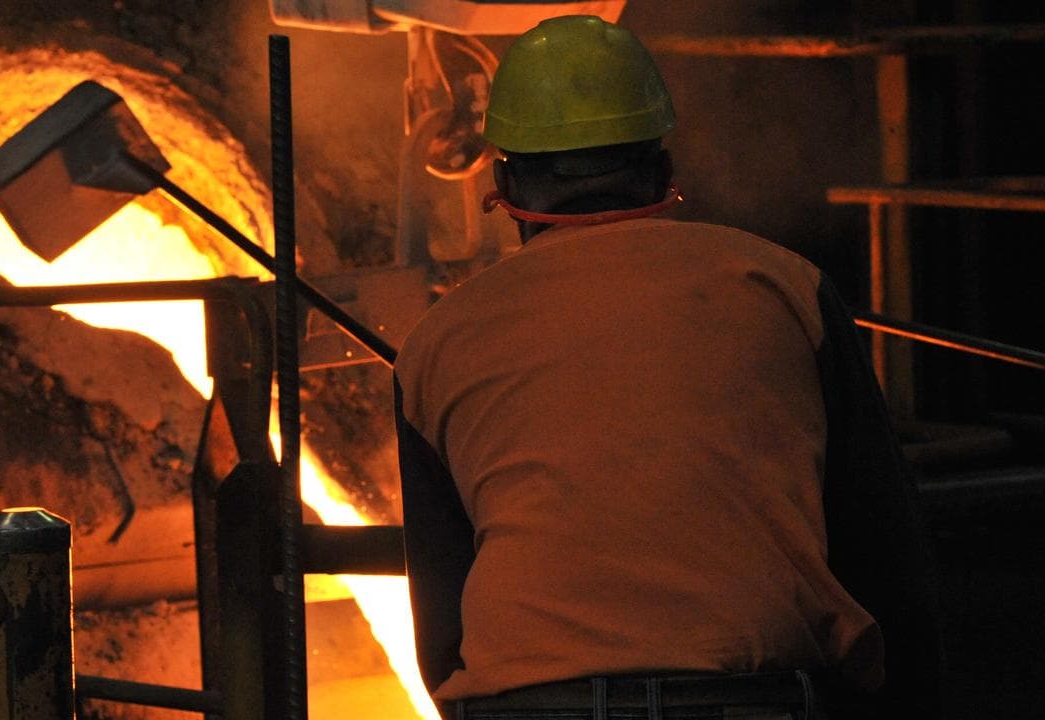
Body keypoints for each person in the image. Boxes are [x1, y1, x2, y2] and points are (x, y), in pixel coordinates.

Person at [393, 15, 943, 720]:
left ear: (504, 183)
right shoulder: (783, 288)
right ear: (662, 169)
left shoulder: (436, 341)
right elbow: (885, 552)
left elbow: (443, 628)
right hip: (754, 698)